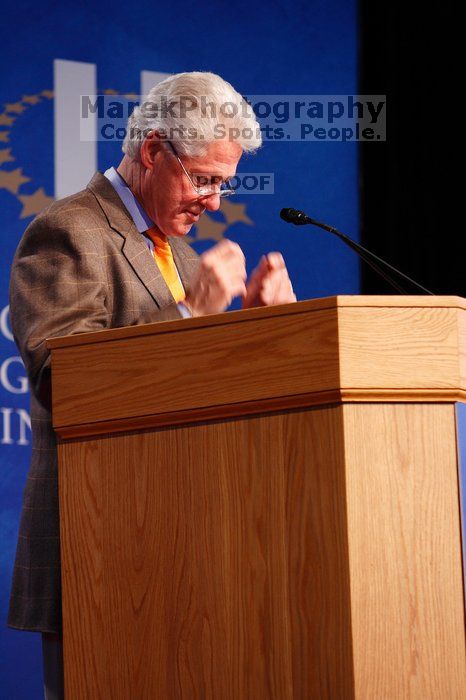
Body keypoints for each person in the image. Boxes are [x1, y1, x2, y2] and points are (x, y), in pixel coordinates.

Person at [7, 71, 296, 697]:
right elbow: (67, 380)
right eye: (204, 179)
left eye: (225, 182)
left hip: (190, 539)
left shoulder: (183, 254)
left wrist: (272, 330)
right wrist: (190, 314)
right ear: (152, 152)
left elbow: (197, 389)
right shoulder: (69, 233)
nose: (216, 202)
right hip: (104, 545)